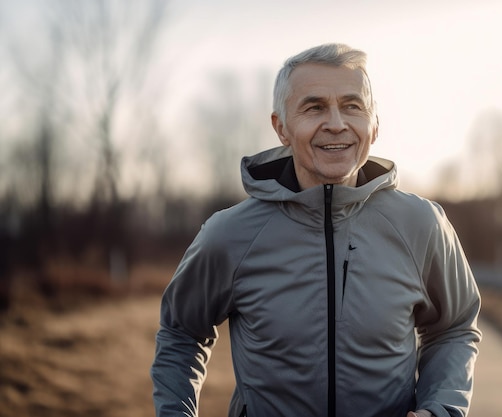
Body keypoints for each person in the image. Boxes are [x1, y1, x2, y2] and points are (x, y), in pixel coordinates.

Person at [151, 43, 481, 417]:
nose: (337, 123)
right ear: (282, 128)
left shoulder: (422, 225)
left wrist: (440, 409)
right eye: (314, 107)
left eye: (352, 106)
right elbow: (181, 333)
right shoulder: (229, 235)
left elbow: (454, 327)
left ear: (375, 124)